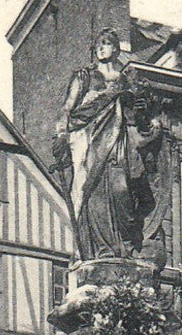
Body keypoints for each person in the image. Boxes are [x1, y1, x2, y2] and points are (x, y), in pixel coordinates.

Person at [53, 28, 167, 265]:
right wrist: (62, 132)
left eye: (106, 44)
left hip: (119, 141)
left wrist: (147, 115)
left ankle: (121, 247)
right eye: (98, 44)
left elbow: (139, 116)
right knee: (93, 192)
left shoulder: (126, 80)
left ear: (116, 48)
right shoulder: (85, 76)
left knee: (122, 191)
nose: (101, 48)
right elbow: (68, 107)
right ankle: (99, 250)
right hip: (90, 140)